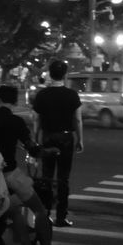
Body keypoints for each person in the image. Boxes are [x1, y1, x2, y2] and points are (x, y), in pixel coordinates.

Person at [0, 84, 65, 245]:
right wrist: (49, 151)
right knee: (39, 210)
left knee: (13, 211)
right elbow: (33, 149)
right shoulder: (16, 122)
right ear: (15, 100)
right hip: (10, 174)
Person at [32, 59, 84, 227]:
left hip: (47, 137)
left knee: (46, 177)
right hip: (66, 137)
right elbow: (77, 119)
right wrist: (80, 139)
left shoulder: (42, 95)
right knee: (63, 178)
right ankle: (61, 217)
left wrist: (35, 138)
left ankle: (45, 214)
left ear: (50, 74)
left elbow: (36, 119)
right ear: (65, 75)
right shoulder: (72, 95)